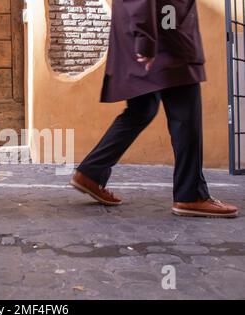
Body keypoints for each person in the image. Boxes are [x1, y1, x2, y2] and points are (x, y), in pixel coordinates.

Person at [70, 0, 238, 218]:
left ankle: (91, 172)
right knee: (185, 115)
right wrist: (145, 40)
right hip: (166, 40)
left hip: (156, 32)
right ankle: (191, 195)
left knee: (142, 109)